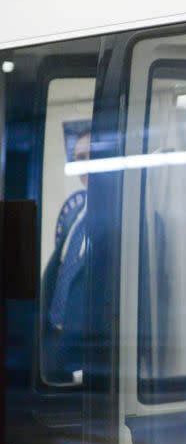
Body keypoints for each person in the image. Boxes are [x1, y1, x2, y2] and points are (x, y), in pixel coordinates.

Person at [41, 129, 90, 384]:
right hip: (53, 338)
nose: (84, 164)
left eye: (90, 156)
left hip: (88, 350)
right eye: (79, 157)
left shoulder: (125, 218)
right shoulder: (76, 215)